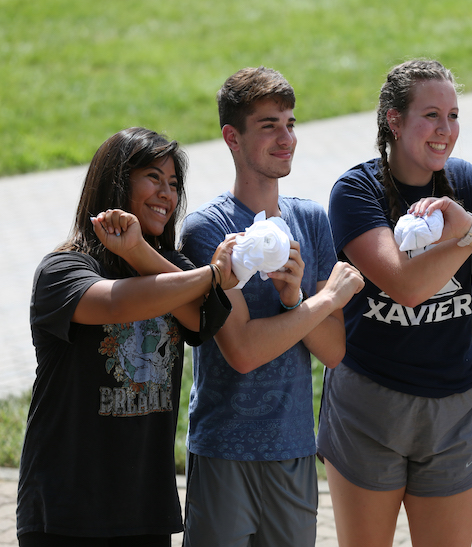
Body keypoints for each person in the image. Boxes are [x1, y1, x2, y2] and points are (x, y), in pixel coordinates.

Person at [317, 59, 472, 547]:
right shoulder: (356, 191)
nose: (446, 130)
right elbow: (406, 288)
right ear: (394, 121)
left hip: (453, 404)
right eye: (432, 116)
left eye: (454, 115)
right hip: (370, 403)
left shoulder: (463, 181)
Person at [18, 127, 239, 547]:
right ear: (116, 183)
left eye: (174, 184)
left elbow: (198, 319)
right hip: (65, 511)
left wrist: (139, 252)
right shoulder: (62, 271)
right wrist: (210, 275)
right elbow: (118, 305)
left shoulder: (173, 266)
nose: (167, 194)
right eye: (153, 178)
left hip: (145, 510)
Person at [178, 66, 364, 547]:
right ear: (231, 137)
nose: (286, 139)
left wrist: (294, 298)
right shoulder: (209, 231)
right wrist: (322, 300)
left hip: (293, 451)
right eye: (269, 126)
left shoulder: (311, 220)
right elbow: (242, 352)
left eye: (291, 124)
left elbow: (334, 351)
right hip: (224, 450)